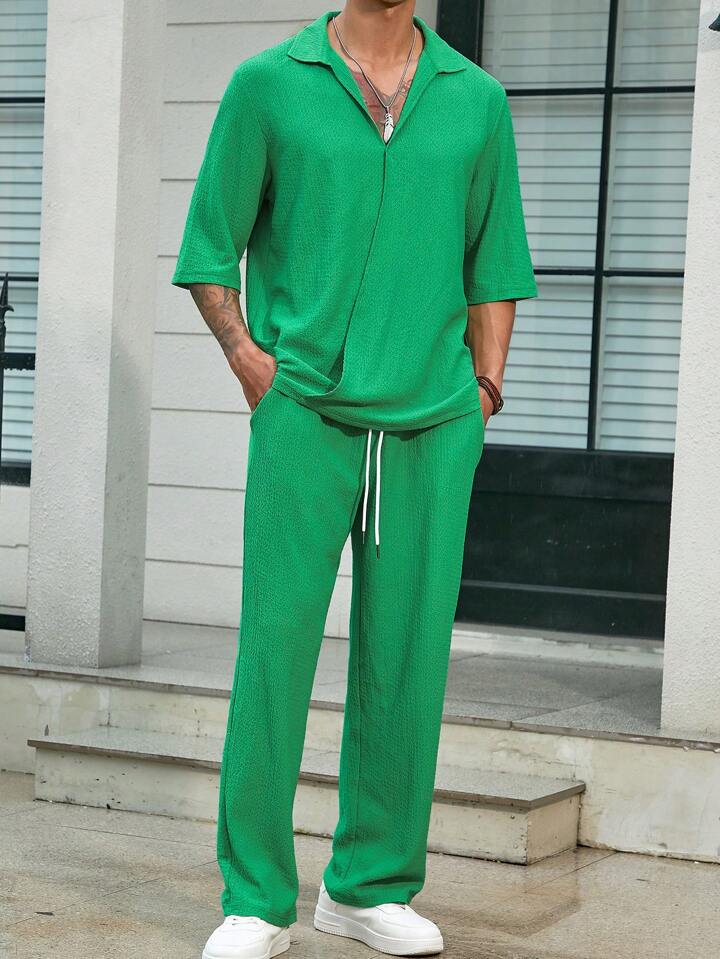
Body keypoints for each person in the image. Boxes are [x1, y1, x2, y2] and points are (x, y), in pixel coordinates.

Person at [171, 3, 536, 956]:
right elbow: (210, 245)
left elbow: (494, 259)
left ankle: (369, 885)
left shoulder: (476, 100)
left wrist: (485, 392)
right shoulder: (268, 85)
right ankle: (257, 897)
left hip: (435, 421)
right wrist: (248, 358)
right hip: (304, 414)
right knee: (275, 653)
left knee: (408, 659)